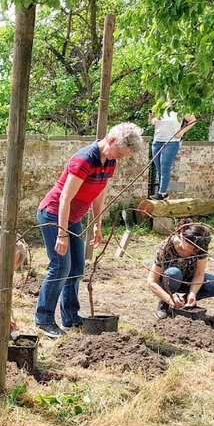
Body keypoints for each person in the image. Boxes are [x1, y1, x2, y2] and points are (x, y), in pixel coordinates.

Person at [34, 123, 144, 338]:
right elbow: (65, 198)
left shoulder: (109, 161)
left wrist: (97, 224)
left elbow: (99, 193)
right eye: (120, 153)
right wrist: (62, 234)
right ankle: (43, 319)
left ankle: (71, 317)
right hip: (54, 214)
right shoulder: (84, 159)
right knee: (60, 267)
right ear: (111, 141)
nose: (119, 158)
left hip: (73, 218)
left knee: (76, 268)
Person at [147, 219, 214, 318]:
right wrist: (169, 298)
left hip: (189, 279)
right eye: (191, 248)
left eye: (196, 250)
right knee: (174, 273)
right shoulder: (167, 246)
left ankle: (184, 302)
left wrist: (192, 294)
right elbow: (151, 281)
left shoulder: (200, 246)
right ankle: (165, 304)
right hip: (170, 281)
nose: (194, 252)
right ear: (181, 237)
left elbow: (199, 274)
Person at [148, 100, 196, 200]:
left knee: (164, 168)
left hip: (171, 141)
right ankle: (162, 193)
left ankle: (162, 193)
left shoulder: (180, 108)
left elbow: (193, 120)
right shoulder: (159, 107)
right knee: (159, 168)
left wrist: (182, 131)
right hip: (157, 141)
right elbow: (153, 122)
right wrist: (150, 117)